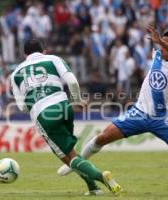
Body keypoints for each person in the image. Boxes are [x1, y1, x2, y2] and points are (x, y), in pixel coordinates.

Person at [57, 27, 168, 195]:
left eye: (165, 45)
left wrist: (160, 42)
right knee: (102, 137)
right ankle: (74, 163)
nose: (160, 48)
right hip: (138, 112)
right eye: (160, 45)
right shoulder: (157, 55)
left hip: (162, 118)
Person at [10, 39, 122, 196]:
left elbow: (21, 106)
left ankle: (101, 177)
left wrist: (35, 96)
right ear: (44, 51)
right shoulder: (54, 59)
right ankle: (93, 188)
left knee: (66, 157)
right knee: (71, 153)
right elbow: (72, 81)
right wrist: (77, 100)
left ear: (25, 55)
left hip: (44, 114)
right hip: (64, 107)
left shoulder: (15, 73)